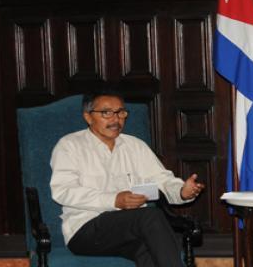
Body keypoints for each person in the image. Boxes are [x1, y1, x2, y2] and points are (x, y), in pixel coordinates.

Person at [50, 89, 205, 267]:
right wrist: (114, 200)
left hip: (131, 230)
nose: (116, 119)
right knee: (150, 216)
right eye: (106, 113)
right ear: (88, 117)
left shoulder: (135, 145)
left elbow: (161, 179)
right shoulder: (70, 146)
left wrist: (181, 192)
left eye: (120, 112)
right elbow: (63, 191)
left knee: (149, 252)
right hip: (85, 230)